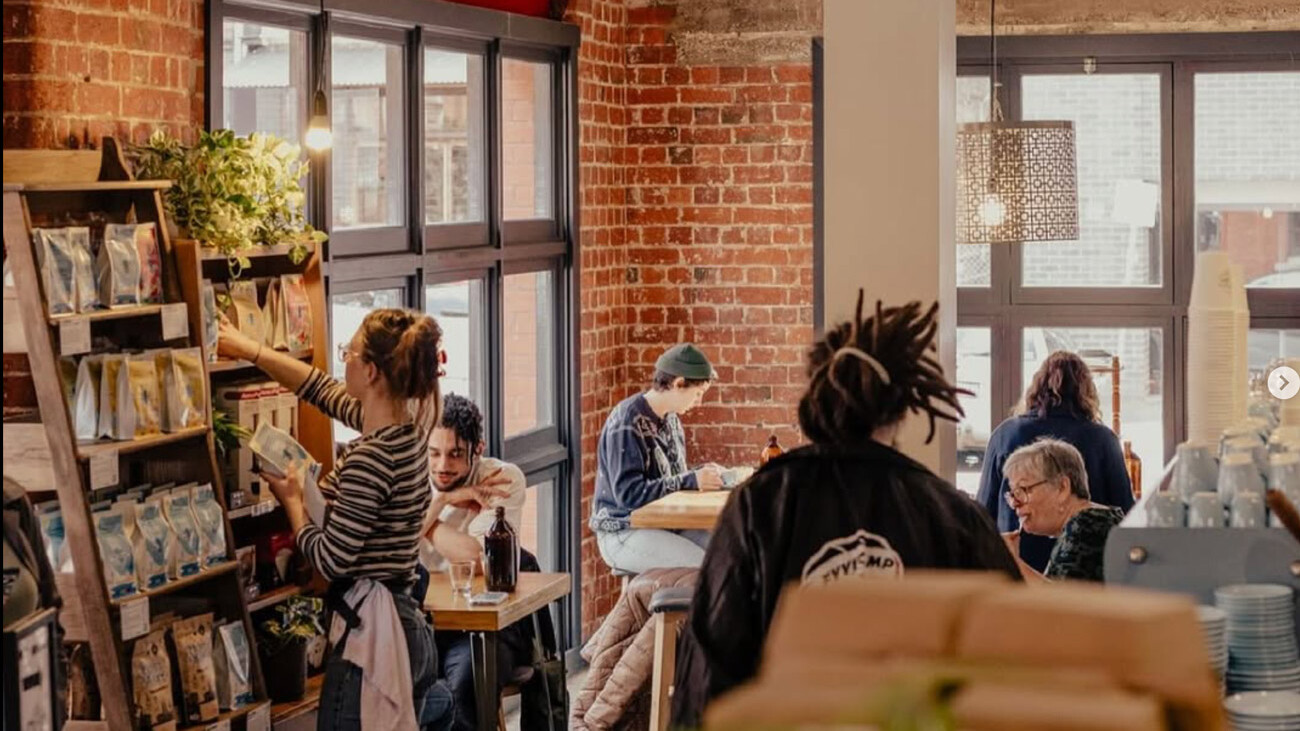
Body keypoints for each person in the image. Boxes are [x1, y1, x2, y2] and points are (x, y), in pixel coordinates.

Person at [670, 293, 1022, 728]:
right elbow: (1009, 661)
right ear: (901, 409)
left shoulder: (760, 502)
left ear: (816, 395)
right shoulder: (949, 513)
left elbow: (710, 666)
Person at [218, 309, 451, 731]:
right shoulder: (408, 433)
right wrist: (249, 350)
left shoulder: (370, 457)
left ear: (371, 371)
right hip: (404, 622)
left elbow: (333, 560)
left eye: (349, 351)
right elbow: (319, 388)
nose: (342, 359)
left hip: (374, 640)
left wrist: (293, 504)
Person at [419, 394, 530, 731]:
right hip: (422, 624)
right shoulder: (412, 483)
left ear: (477, 448)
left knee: (464, 686)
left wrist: (420, 524)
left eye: (454, 454)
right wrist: (442, 502)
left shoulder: (500, 477)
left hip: (483, 629)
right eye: (434, 453)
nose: (441, 466)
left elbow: (478, 559)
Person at [976, 351, 1134, 573]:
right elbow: (1125, 510)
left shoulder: (1005, 434)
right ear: (1086, 392)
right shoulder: (1103, 439)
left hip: (1017, 559)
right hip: (1084, 567)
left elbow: (984, 511)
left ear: (1036, 388)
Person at [591, 343, 725, 574]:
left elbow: (669, 477)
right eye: (698, 394)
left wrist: (702, 473)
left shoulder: (670, 419)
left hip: (664, 524)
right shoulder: (627, 423)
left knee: (730, 555)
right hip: (624, 530)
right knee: (708, 571)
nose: (699, 402)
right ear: (678, 384)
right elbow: (629, 495)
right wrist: (691, 480)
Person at [1000, 438, 1125, 583]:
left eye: (1023, 490)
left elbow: (1060, 602)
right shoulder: (1091, 520)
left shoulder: (1086, 524)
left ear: (1062, 488)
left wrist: (1011, 562)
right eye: (1013, 494)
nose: (1015, 503)